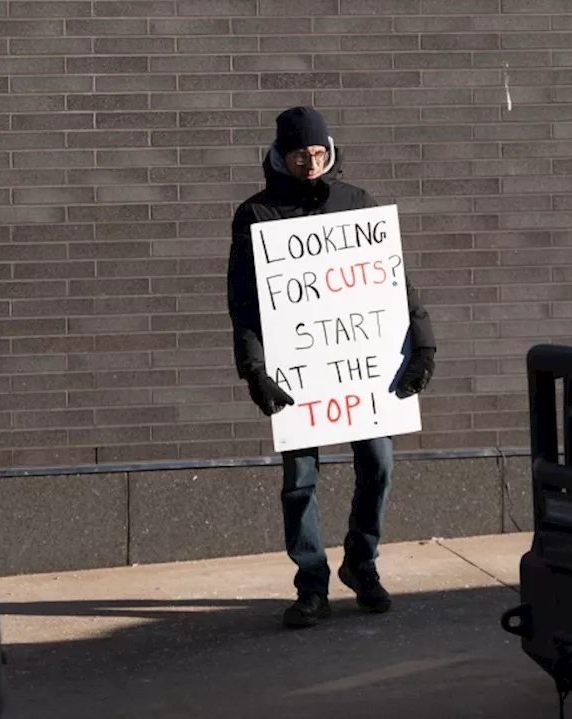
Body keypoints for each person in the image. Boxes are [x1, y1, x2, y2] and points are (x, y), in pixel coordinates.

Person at [226, 106, 437, 629]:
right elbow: (245, 303)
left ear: (330, 150)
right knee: (300, 480)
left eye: (319, 153)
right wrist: (254, 372)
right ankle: (311, 583)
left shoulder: (356, 203)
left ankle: (361, 564)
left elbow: (394, 283)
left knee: (380, 465)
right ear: (281, 155)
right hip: (297, 374)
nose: (311, 163)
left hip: (361, 373)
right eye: (300, 154)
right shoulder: (256, 215)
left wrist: (424, 347)